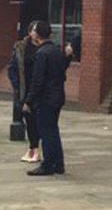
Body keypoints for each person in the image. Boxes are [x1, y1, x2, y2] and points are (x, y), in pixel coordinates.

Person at [24, 20, 73, 177]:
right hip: (57, 96)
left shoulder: (41, 53)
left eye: (33, 31)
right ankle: (58, 163)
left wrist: (28, 101)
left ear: (37, 35)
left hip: (46, 98)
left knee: (46, 132)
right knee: (53, 130)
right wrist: (69, 57)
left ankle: (48, 165)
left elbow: (37, 80)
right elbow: (62, 68)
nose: (31, 34)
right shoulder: (56, 51)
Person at [7, 30, 40, 162]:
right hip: (25, 90)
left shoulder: (45, 48)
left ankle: (35, 148)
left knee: (39, 120)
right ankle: (33, 148)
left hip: (40, 90)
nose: (35, 33)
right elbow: (12, 68)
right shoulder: (20, 47)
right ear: (29, 32)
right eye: (34, 30)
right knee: (30, 119)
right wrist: (17, 87)